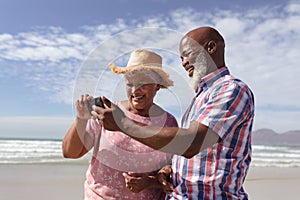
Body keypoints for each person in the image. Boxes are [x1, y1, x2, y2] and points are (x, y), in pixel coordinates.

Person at [95, 26, 255, 199]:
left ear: (210, 48)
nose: (183, 63)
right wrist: (158, 178)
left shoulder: (230, 90)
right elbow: (199, 162)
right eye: (181, 58)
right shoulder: (201, 97)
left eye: (188, 54)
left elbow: (190, 143)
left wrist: (123, 124)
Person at [62, 49, 178, 199]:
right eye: (130, 83)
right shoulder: (107, 112)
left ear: (157, 85)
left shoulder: (169, 123)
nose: (135, 90)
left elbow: (171, 170)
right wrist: (81, 119)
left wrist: (151, 181)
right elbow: (70, 152)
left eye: (143, 83)